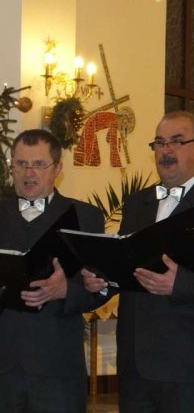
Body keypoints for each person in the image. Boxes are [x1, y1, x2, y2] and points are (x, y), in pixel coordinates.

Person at [82, 111, 194, 413]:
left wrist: (180, 284)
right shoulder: (137, 203)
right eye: (159, 143)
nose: (166, 150)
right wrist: (102, 281)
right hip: (135, 363)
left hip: (192, 362)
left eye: (176, 141)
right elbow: (127, 264)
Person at [0, 129, 104, 413]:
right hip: (4, 367)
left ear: (57, 168)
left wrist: (67, 290)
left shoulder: (85, 216)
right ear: (11, 167)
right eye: (21, 164)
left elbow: (102, 288)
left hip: (58, 368)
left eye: (38, 164)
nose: (28, 173)